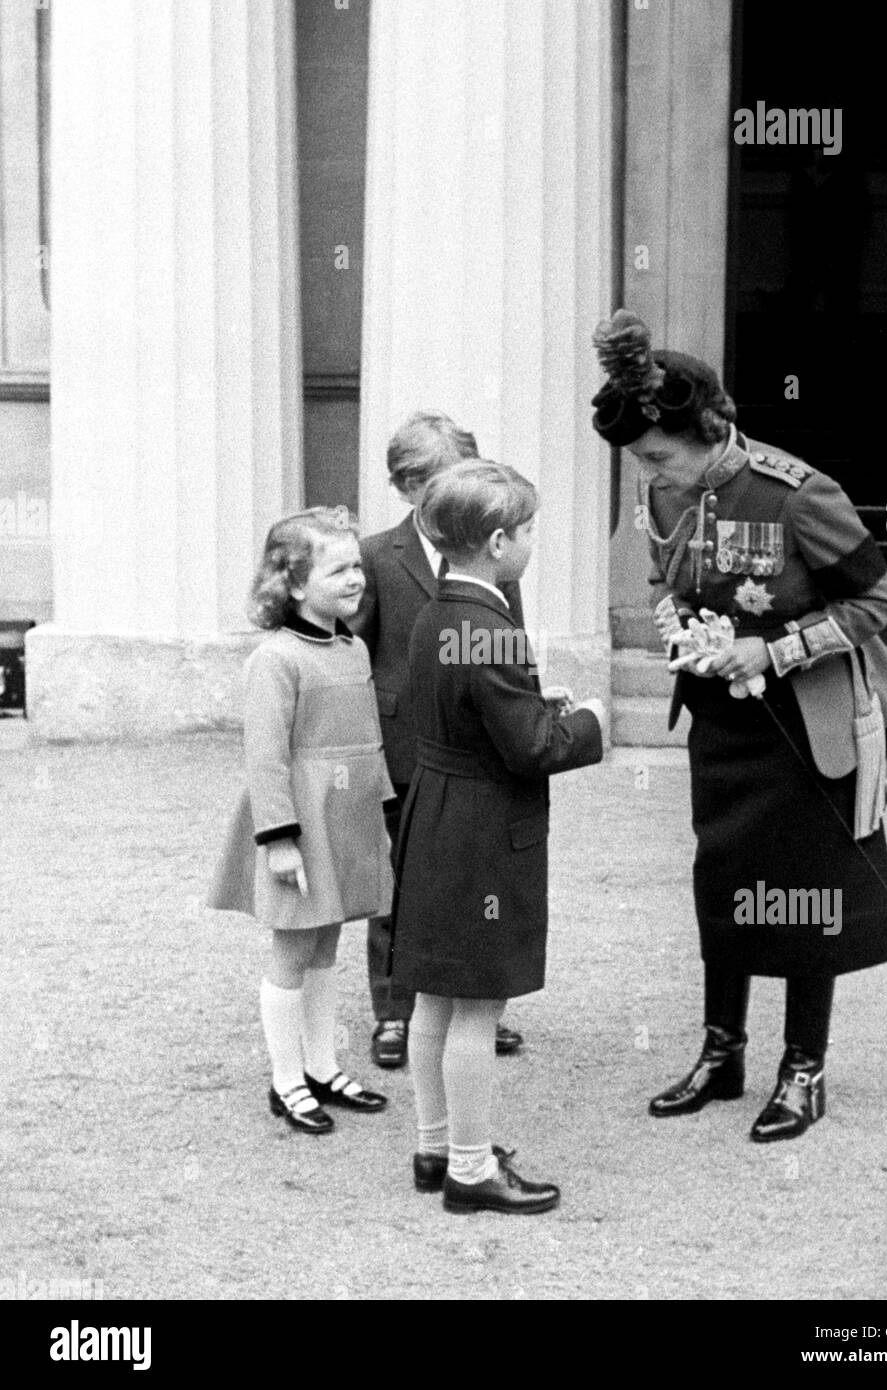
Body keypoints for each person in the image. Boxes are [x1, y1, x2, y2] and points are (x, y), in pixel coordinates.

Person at [590, 310, 887, 1143]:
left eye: (661, 456)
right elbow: (663, 574)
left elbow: (875, 603)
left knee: (808, 893)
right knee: (724, 882)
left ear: (708, 430)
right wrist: (677, 630)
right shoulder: (662, 484)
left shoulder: (797, 494)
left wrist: (769, 651)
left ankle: (803, 1068)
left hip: (806, 723)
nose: (652, 474)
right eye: (641, 463)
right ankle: (721, 1051)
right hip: (721, 724)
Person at [391, 460, 605, 1213]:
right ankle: (472, 1169)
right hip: (483, 829)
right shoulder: (493, 629)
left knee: (434, 1001)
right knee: (478, 1004)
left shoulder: (436, 613)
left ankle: (434, 1144)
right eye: (529, 530)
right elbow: (532, 749)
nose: (533, 542)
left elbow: (468, 708)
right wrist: (589, 723)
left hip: (435, 814)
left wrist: (535, 702)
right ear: (498, 541)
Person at [208, 507, 393, 1133]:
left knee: (326, 944)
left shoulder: (354, 648)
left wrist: (380, 812)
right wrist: (280, 840)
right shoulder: (276, 659)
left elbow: (367, 740)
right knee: (291, 947)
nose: (355, 579)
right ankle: (286, 1081)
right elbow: (265, 757)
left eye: (357, 566)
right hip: (300, 823)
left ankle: (321, 1067)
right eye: (337, 569)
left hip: (347, 818)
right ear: (291, 583)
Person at [351, 411, 525, 1068]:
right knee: (398, 881)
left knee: (472, 881)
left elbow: (513, 646)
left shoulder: (496, 553)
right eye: (427, 482)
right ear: (404, 486)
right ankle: (395, 1010)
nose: (441, 493)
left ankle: (476, 1006)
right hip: (399, 746)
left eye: (453, 478)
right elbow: (356, 662)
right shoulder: (373, 556)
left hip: (473, 746)